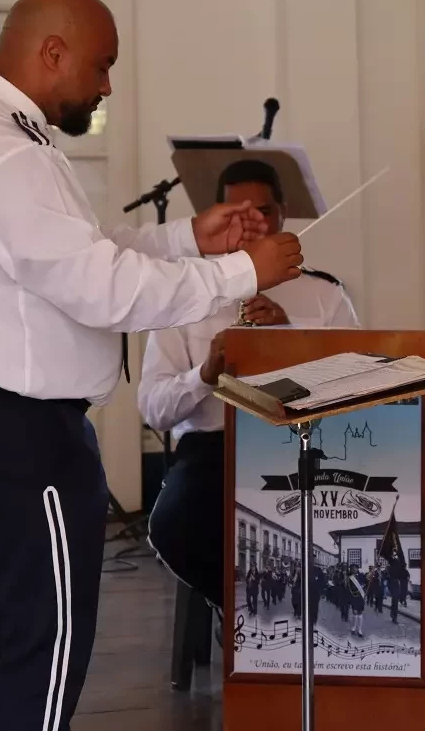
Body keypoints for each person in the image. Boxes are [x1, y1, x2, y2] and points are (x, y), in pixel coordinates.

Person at [0, 0, 303, 731]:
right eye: (102, 64)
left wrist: (188, 239)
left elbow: (74, 257)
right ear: (53, 53)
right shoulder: (2, 151)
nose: (108, 84)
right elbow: (103, 290)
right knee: (40, 649)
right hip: (15, 436)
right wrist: (245, 270)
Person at [140, 158, 359, 609]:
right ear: (220, 215)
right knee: (173, 527)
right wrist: (205, 374)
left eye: (265, 212)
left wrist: (290, 339)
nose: (254, 225)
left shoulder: (325, 293)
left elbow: (360, 389)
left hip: (305, 448)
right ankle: (245, 617)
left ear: (282, 214)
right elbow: (153, 409)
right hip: (213, 450)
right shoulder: (184, 292)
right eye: (240, 214)